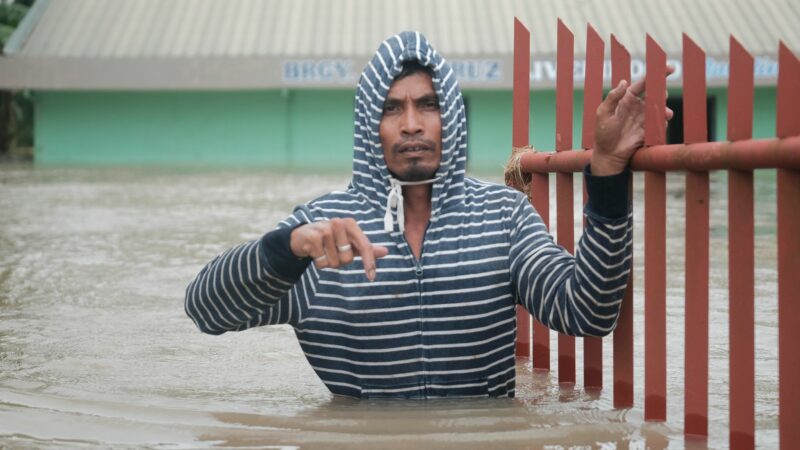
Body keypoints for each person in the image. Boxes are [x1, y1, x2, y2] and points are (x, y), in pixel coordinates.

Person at [185, 31, 667, 399]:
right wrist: (287, 248)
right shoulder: (322, 231)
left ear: (451, 115)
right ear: (369, 126)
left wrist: (605, 173)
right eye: (392, 108)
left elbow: (588, 310)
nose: (412, 123)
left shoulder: (503, 216)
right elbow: (204, 311)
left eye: (427, 105)